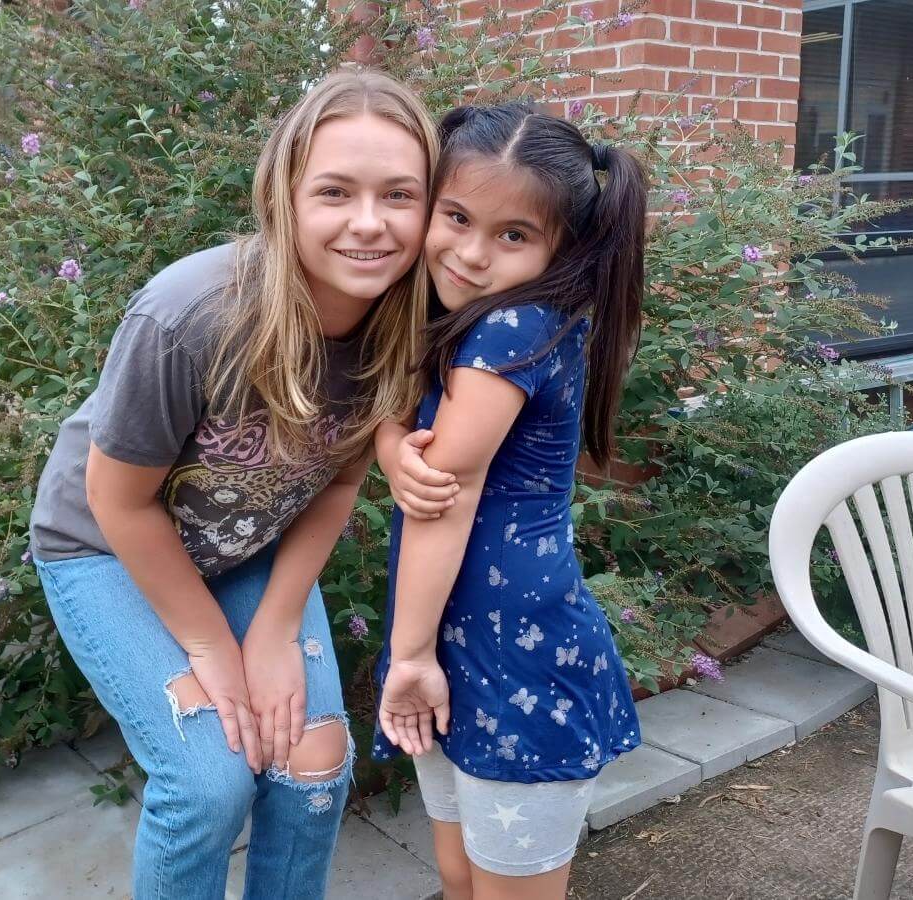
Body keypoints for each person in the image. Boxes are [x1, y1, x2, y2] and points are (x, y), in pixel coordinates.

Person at [28, 70, 439, 900]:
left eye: (400, 194)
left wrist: (275, 627)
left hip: (248, 548)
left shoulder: (408, 321)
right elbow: (117, 498)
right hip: (103, 547)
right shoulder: (191, 316)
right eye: (334, 192)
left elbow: (337, 478)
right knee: (209, 782)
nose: (369, 223)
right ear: (283, 197)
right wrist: (216, 646)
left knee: (315, 756)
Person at [373, 102, 649, 900]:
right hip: (472, 643)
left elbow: (445, 497)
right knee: (462, 876)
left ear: (561, 245)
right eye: (455, 216)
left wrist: (410, 655)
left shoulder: (507, 332)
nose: (469, 252)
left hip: (509, 651)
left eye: (512, 235)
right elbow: (405, 428)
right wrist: (394, 449)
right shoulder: (474, 319)